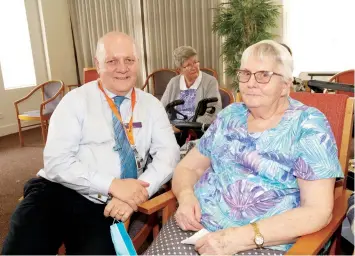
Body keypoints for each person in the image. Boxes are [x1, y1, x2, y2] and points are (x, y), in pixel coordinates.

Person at [145, 40, 343, 255]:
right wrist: (186, 197)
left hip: (261, 242)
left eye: (264, 75)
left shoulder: (308, 125)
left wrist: (238, 238)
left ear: (285, 85)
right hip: (195, 227)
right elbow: (189, 168)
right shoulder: (230, 115)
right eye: (245, 73)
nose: (251, 83)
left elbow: (317, 211)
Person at [2, 32, 180, 255]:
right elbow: (57, 162)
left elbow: (169, 155)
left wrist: (139, 191)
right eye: (112, 61)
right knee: (23, 248)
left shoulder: (152, 105)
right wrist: (113, 185)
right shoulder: (74, 101)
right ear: (98, 64)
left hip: (105, 206)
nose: (122, 68)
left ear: (138, 62)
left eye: (129, 60)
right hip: (57, 191)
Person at [161, 46, 222, 124]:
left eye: (195, 62)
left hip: (198, 130)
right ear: (180, 70)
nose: (194, 67)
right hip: (173, 129)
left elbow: (213, 112)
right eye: (188, 65)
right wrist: (169, 127)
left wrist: (192, 127)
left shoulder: (210, 81)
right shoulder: (173, 82)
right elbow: (162, 109)